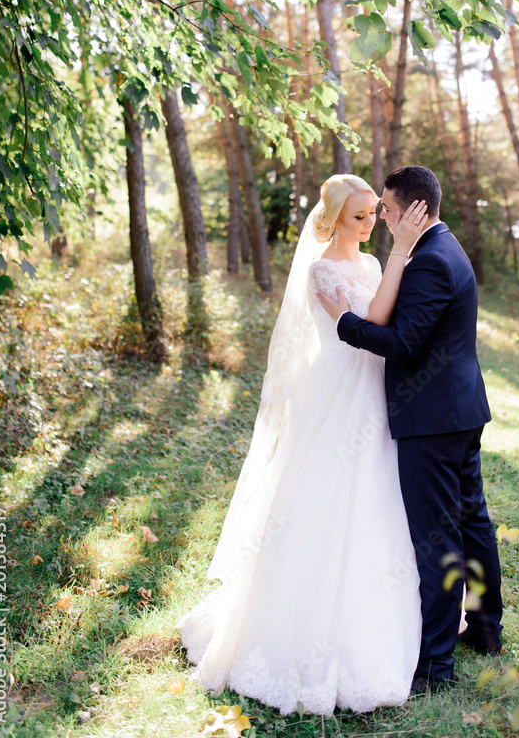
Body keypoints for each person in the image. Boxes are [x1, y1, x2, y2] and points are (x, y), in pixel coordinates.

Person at [178, 174, 429, 715]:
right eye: (359, 216)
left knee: (382, 497)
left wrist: (397, 264)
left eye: (372, 215)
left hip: (378, 392)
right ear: (334, 218)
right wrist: (402, 256)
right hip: (339, 394)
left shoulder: (368, 265)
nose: (370, 224)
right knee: (324, 499)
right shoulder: (323, 271)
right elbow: (370, 322)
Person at [318, 165, 503, 693]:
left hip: (432, 420)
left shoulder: (427, 264)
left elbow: (402, 343)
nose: (384, 220)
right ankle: (487, 629)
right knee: (472, 523)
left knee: (439, 538)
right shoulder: (444, 249)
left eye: (390, 210)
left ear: (414, 210)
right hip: (458, 410)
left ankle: (435, 665)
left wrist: (345, 324)